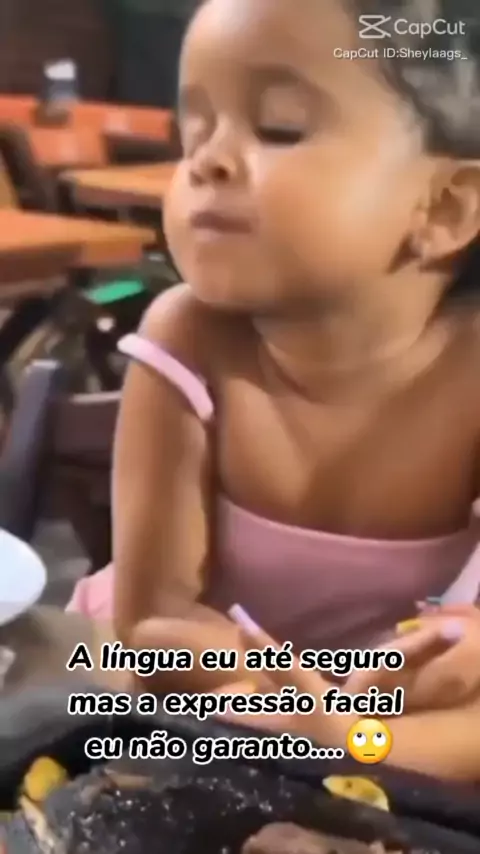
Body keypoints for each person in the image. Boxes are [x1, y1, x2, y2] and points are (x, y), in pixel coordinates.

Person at [68, 0, 480, 777]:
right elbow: (151, 626)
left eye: (280, 128)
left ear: (447, 205)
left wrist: (367, 718)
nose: (207, 163)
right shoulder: (185, 340)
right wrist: (289, 700)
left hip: (386, 734)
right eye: (193, 133)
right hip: (191, 710)